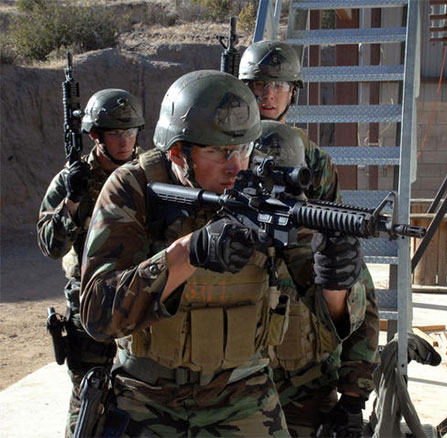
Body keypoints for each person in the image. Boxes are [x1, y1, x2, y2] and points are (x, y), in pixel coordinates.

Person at [79, 70, 367, 436]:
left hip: (243, 395)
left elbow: (337, 317)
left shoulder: (263, 188)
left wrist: (337, 281)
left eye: (243, 149)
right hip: (147, 397)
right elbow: (98, 316)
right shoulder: (133, 187)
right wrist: (188, 253)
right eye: (217, 151)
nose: (236, 167)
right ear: (177, 153)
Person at [240, 40, 381, 436]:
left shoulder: (312, 158)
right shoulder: (221, 150)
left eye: (279, 86)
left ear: (293, 93)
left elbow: (334, 239)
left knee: (348, 275)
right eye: (259, 85)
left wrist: (353, 397)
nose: (268, 95)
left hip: (298, 336)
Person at [37, 88, 145, 437]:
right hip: (89, 305)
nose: (126, 141)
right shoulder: (74, 179)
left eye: (131, 132)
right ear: (95, 136)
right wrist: (71, 201)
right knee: (89, 397)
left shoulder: (149, 172)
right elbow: (50, 246)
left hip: (138, 299)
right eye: (116, 133)